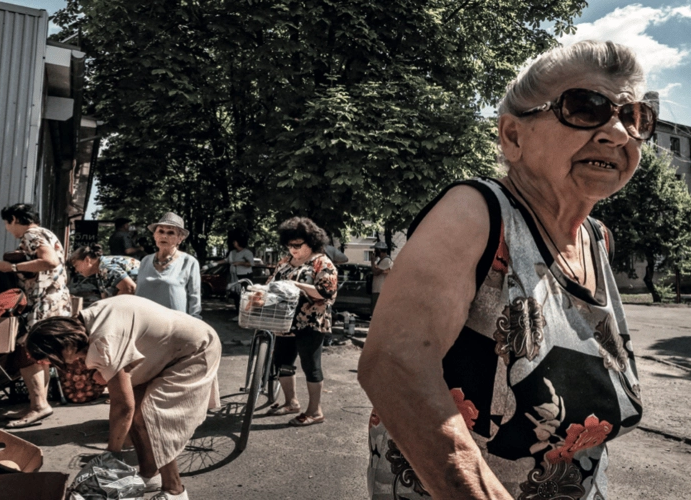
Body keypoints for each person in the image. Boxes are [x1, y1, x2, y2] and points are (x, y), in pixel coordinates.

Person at [358, 40, 652, 499]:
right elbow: (393, 367)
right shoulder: (476, 213)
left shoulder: (598, 238)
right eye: (586, 106)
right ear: (514, 136)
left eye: (635, 117)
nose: (617, 132)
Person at [25, 295, 221, 500]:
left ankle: (175, 491)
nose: (51, 364)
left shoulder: (104, 340)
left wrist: (111, 454)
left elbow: (122, 407)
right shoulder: (90, 319)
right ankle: (149, 474)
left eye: (50, 358)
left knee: (152, 420)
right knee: (138, 418)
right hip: (167, 350)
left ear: (63, 345)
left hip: (194, 350)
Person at [0, 203, 72, 428]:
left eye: (7, 223)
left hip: (43, 302)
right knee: (39, 355)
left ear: (15, 219)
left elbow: (50, 261)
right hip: (56, 300)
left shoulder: (32, 234)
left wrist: (12, 269)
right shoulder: (48, 232)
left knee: (27, 351)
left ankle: (39, 406)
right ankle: (38, 402)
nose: (8, 228)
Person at [266, 217, 338, 426]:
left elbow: (326, 294)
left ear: (311, 242)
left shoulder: (322, 262)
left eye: (298, 245)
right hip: (284, 322)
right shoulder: (284, 262)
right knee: (282, 363)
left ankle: (315, 411)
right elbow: (271, 284)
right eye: (289, 245)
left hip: (311, 322)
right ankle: (291, 402)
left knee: (310, 365)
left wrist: (297, 285)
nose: (293, 249)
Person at [136, 212, 201, 318]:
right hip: (144, 324)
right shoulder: (145, 260)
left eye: (171, 233)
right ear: (154, 235)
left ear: (180, 239)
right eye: (160, 231)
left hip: (174, 326)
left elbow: (194, 297)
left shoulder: (189, 262)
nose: (164, 236)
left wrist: (195, 322)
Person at [68, 244, 140, 299]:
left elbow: (130, 288)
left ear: (87, 260)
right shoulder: (99, 272)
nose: (76, 271)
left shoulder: (106, 267)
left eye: (76, 266)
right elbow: (105, 298)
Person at [215, 232, 254, 319]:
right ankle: (238, 314)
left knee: (244, 295)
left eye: (235, 241)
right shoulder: (232, 252)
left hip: (244, 276)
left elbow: (251, 263)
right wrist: (214, 264)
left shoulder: (247, 252)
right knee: (236, 295)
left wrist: (240, 263)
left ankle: (246, 314)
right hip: (235, 276)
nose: (233, 243)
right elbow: (226, 260)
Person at [369, 241, 393, 315]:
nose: (374, 252)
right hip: (377, 289)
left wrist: (372, 262)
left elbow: (376, 272)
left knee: (376, 312)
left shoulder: (386, 260)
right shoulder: (382, 261)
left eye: (375, 250)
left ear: (379, 250)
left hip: (380, 289)